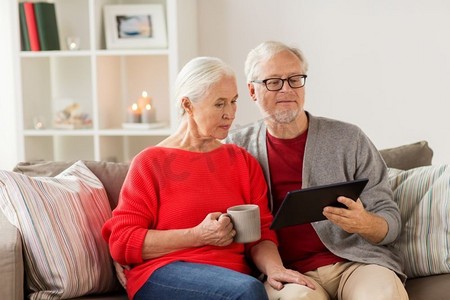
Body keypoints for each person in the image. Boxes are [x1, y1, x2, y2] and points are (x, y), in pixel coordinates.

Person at [102, 56, 314, 300]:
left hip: (233, 280)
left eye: (233, 101)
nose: (230, 113)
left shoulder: (242, 161)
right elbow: (121, 242)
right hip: (164, 273)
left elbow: (262, 233)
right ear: (188, 105)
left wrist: (275, 269)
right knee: (247, 290)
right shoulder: (150, 162)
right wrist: (198, 235)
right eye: (219, 104)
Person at [225, 41, 409, 300]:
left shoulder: (349, 138)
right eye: (273, 81)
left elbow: (390, 221)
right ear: (252, 91)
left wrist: (365, 223)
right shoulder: (236, 148)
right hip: (288, 274)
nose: (287, 89)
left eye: (295, 79)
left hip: (357, 263)